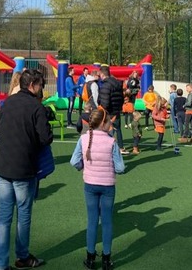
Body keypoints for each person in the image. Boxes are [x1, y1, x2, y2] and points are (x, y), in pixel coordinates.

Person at [0, 69, 53, 270]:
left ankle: (2, 263)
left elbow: (0, 127)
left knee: (4, 217)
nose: (41, 90)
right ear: (33, 85)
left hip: (4, 165)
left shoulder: (8, 101)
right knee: (23, 214)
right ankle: (22, 256)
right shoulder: (36, 107)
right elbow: (45, 138)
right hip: (24, 167)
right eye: (40, 86)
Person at [70, 108, 125, 270]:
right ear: (103, 123)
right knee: (107, 222)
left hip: (90, 184)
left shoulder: (84, 139)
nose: (111, 123)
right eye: (109, 121)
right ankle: (107, 258)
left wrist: (84, 166)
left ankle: (90, 257)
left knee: (92, 221)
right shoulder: (111, 142)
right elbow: (120, 168)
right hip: (108, 186)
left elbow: (74, 161)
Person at [98, 66, 128, 155]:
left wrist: (102, 109)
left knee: (107, 131)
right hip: (116, 111)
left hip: (108, 112)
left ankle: (107, 149)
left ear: (102, 74)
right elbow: (122, 98)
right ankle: (121, 147)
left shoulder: (105, 86)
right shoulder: (118, 84)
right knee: (118, 129)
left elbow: (105, 102)